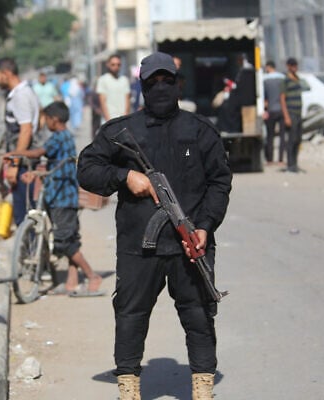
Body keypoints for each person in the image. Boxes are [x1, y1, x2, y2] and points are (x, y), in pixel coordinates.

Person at [77, 52, 232, 400]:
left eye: (167, 81)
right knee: (130, 316)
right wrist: (124, 176)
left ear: (179, 85)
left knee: (199, 316)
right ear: (143, 87)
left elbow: (219, 182)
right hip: (139, 246)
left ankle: (202, 389)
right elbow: (87, 169)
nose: (161, 88)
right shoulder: (121, 131)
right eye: (153, 82)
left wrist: (206, 226)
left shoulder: (200, 131)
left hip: (190, 244)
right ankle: (129, 389)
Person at [4, 101, 103, 296]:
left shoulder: (59, 137)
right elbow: (54, 164)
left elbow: (38, 152)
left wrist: (16, 153)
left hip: (62, 199)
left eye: (47, 119)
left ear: (54, 120)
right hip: (60, 196)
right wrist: (36, 173)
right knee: (70, 239)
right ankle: (71, 283)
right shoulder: (65, 137)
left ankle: (92, 275)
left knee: (63, 241)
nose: (45, 123)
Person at [0, 57, 42, 225]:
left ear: (7, 73)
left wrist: (14, 164)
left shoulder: (20, 96)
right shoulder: (25, 92)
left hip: (23, 165)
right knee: (28, 212)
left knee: (24, 217)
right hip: (25, 161)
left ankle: (30, 242)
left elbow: (26, 130)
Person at [280, 57, 304, 173]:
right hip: (291, 114)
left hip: (298, 114)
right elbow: (282, 99)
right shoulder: (285, 80)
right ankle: (290, 165)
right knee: (291, 140)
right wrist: (286, 117)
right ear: (288, 66)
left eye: (296, 65)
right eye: (293, 65)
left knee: (298, 139)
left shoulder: (297, 78)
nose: (295, 68)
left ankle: (295, 164)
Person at [263, 60, 287, 165]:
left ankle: (270, 159)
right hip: (282, 110)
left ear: (268, 67)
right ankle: (281, 159)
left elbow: (264, 98)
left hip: (271, 110)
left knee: (270, 136)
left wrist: (264, 110)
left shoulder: (265, 79)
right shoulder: (282, 78)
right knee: (282, 135)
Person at [96, 54, 131, 123]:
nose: (116, 67)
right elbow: (102, 102)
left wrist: (125, 118)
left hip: (122, 120)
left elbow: (127, 100)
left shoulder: (124, 80)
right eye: (113, 64)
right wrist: (109, 121)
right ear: (108, 65)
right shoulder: (103, 80)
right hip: (109, 120)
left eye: (118, 65)